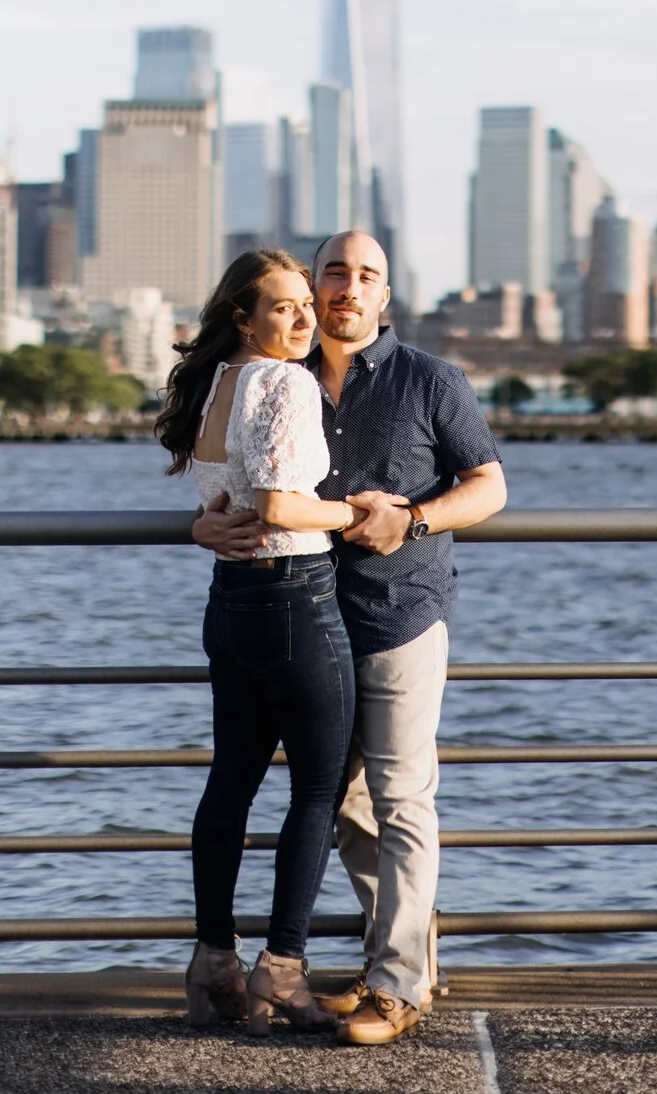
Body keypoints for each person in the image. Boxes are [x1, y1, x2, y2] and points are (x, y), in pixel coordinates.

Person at [194, 230, 507, 1047]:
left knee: (400, 798)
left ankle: (399, 986)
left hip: (398, 612)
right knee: (346, 807)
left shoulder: (430, 379)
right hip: (304, 620)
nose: (348, 287)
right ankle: (398, 962)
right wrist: (203, 524)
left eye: (367, 275)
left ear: (385, 295)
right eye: (335, 271)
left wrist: (415, 518)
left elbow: (489, 485)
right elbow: (239, 483)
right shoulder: (280, 369)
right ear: (314, 282)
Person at [157, 248, 403, 1035]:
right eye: (283, 306)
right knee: (318, 789)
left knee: (230, 782)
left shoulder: (216, 381)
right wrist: (363, 512)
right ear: (243, 316)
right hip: (296, 599)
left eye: (305, 303)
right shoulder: (286, 382)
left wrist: (202, 526)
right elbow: (278, 505)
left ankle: (213, 962)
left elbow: (231, 499)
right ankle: (282, 970)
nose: (303, 318)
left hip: (231, 602)